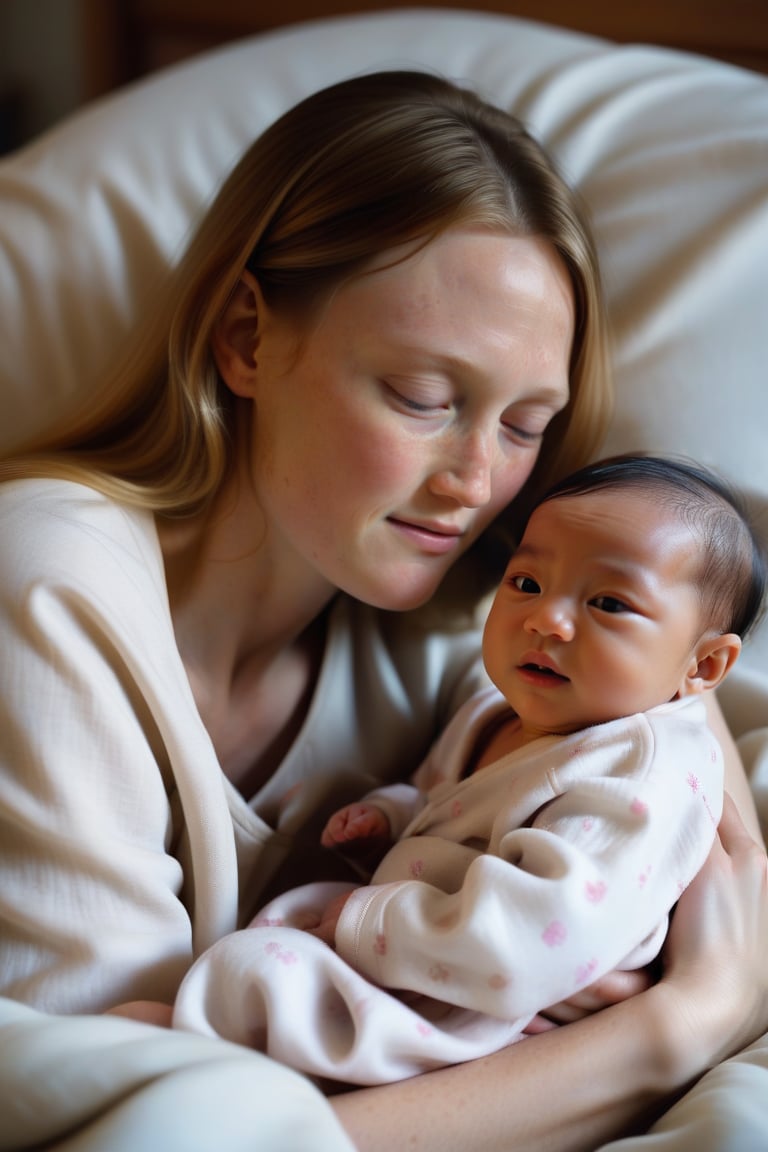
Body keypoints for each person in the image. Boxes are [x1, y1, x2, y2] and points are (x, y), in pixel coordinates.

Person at [0, 70, 766, 1152]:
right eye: (424, 398)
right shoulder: (47, 580)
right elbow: (142, 1117)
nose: (476, 479)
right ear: (247, 339)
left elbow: (682, 733)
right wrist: (670, 1034)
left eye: (524, 424)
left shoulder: (472, 632)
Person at [171, 453, 765, 1084]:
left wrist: (363, 920)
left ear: (702, 667)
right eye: (528, 585)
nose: (547, 619)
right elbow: (448, 802)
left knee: (251, 983)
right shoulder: (500, 714)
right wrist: (392, 814)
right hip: (417, 953)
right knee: (247, 969)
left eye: (610, 603)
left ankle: (218, 1062)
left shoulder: (640, 773)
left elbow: (539, 932)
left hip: (491, 1013)